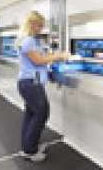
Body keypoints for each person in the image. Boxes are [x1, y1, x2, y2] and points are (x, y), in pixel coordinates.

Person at [17, 11, 69, 162]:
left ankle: (27, 147)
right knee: (42, 113)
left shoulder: (34, 41)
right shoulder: (28, 41)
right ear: (32, 24)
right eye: (39, 25)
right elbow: (38, 61)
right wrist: (59, 56)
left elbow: (41, 62)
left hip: (32, 82)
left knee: (31, 114)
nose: (41, 28)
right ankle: (30, 151)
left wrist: (50, 69)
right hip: (30, 83)